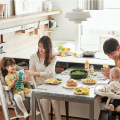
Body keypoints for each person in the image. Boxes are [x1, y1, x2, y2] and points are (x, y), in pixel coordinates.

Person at [24, 36, 61, 120]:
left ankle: (59, 118)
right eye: (39, 46)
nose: (41, 49)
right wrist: (33, 86)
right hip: (39, 85)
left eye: (43, 48)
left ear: (48, 48)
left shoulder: (53, 57)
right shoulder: (33, 56)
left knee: (54, 99)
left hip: (52, 84)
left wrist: (32, 73)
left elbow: (47, 73)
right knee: (44, 99)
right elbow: (30, 74)